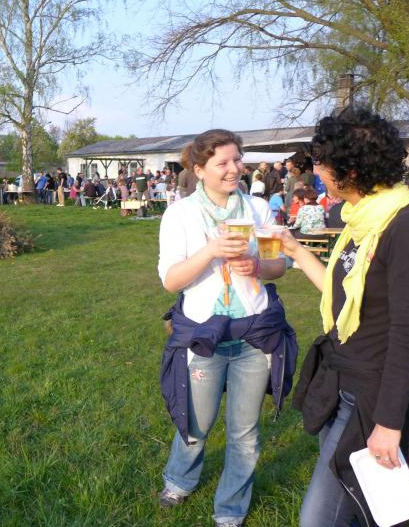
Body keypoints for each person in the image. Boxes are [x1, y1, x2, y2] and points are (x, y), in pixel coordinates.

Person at [278, 107, 409, 526]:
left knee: (319, 520)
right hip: (340, 381)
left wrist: (388, 422)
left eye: (322, 162)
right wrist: (296, 250)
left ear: (350, 170)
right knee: (358, 509)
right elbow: (342, 294)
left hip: (370, 394)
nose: (317, 171)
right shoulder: (362, 221)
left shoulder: (405, 229)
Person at [157, 129, 296, 527]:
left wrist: (257, 266)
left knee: (244, 433)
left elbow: (279, 267)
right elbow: (171, 281)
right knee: (196, 424)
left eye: (237, 159)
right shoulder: (180, 214)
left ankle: (231, 508)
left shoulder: (257, 209)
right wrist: (210, 251)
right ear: (200, 169)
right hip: (204, 337)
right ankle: (179, 480)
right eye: (223, 162)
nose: (234, 168)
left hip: (254, 336)